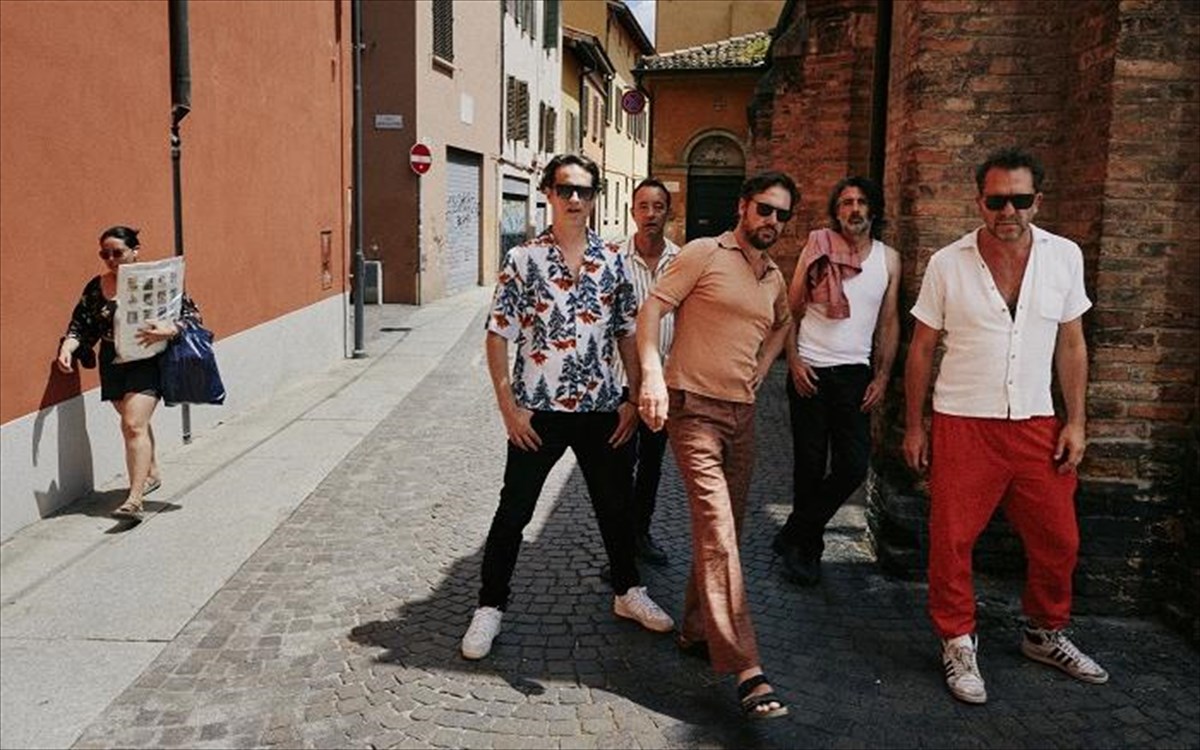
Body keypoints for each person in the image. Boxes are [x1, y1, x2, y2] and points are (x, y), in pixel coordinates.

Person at [903, 147, 1108, 705]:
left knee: (1059, 538)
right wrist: (915, 426)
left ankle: (1044, 633)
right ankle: (956, 639)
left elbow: (1072, 344)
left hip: (1037, 420)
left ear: (1037, 200)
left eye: (1020, 199)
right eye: (996, 201)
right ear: (980, 202)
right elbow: (921, 349)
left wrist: (1077, 421)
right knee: (952, 540)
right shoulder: (948, 262)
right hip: (963, 420)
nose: (1008, 211)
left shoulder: (1064, 257)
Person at [461, 153, 674, 661]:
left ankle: (627, 591)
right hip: (538, 413)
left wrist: (632, 396)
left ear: (595, 197)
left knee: (616, 508)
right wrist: (508, 409)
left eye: (584, 190)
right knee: (514, 511)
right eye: (565, 189)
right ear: (548, 194)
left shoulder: (612, 261)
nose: (575, 198)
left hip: (601, 408)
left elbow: (627, 332)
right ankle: (490, 606)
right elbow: (497, 336)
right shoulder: (524, 260)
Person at [637, 171, 795, 720]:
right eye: (765, 209)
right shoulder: (704, 253)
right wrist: (651, 376)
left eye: (782, 214)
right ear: (743, 206)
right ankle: (747, 669)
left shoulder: (774, 277)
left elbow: (784, 324)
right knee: (719, 532)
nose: (772, 220)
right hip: (693, 410)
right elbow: (651, 310)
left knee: (723, 533)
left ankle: (695, 630)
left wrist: (764, 366)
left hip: (741, 416)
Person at [773, 177, 901, 585]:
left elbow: (889, 322)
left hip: (854, 374)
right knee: (809, 467)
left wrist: (883, 376)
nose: (854, 209)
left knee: (852, 465)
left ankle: (795, 530)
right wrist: (793, 361)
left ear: (873, 209)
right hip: (810, 369)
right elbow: (790, 308)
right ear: (837, 211)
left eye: (861, 201)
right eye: (846, 202)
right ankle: (807, 551)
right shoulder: (818, 247)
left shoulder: (889, 260)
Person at [55, 225, 200, 522]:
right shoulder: (96, 287)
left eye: (117, 253)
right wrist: (68, 347)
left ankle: (134, 500)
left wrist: (170, 329)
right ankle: (151, 472)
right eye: (104, 254)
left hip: (148, 358)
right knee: (134, 423)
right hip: (112, 361)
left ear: (135, 251)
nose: (111, 259)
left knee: (133, 424)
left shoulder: (157, 280)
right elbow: (81, 324)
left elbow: (192, 315)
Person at [612, 178, 682, 567]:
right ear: (632, 212)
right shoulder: (613, 259)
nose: (651, 214)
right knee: (620, 467)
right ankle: (620, 546)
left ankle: (641, 534)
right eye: (644, 206)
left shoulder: (683, 261)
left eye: (658, 206)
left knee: (652, 466)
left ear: (668, 212)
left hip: (663, 385)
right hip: (621, 384)